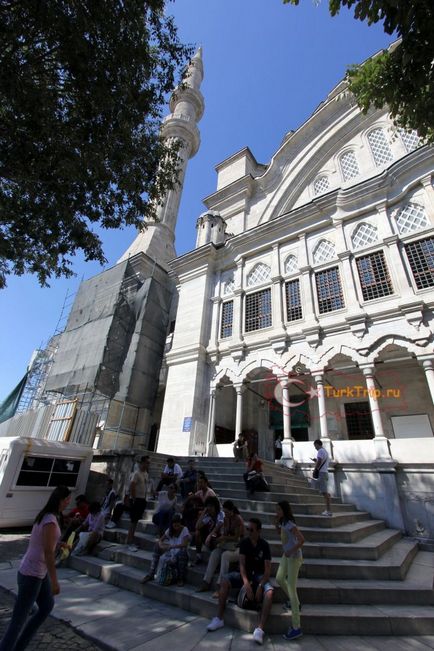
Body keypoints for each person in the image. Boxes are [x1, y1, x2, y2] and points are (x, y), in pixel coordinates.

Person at [0, 485, 71, 651]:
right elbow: (48, 553)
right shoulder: (50, 520)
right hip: (31, 574)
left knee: (46, 606)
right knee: (18, 621)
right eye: (67, 499)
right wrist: (55, 581)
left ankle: (20, 645)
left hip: (38, 572)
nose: (68, 502)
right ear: (61, 500)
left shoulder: (48, 516)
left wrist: (58, 544)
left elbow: (45, 543)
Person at [207, 517, 273, 646]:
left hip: (259, 576)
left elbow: (267, 571)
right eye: (247, 529)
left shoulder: (264, 545)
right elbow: (242, 565)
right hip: (245, 574)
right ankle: (219, 618)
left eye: (251, 530)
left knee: (270, 593)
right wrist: (246, 584)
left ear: (259, 531)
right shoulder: (244, 543)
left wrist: (260, 586)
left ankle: (260, 629)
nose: (248, 532)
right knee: (225, 581)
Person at [196, 500, 244, 593]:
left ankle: (221, 585)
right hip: (228, 545)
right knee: (214, 553)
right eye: (224, 511)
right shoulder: (226, 519)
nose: (225, 514)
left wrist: (223, 538)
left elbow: (236, 537)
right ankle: (206, 581)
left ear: (232, 511)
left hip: (238, 547)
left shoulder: (238, 519)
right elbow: (225, 534)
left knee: (225, 555)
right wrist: (219, 540)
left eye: (226, 512)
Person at [275, 500, 305, 641]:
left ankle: (296, 627)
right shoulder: (283, 522)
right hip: (286, 555)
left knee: (292, 590)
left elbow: (301, 540)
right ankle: (296, 603)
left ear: (284, 511)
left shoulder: (290, 524)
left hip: (293, 557)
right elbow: (283, 537)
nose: (277, 512)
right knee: (280, 578)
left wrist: (291, 551)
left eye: (279, 510)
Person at [141, 513, 191, 587]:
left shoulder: (185, 529)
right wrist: (161, 545)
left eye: (178, 522)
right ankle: (151, 574)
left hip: (181, 556)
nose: (176, 525)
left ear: (180, 523)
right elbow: (160, 540)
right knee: (157, 546)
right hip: (171, 554)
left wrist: (171, 546)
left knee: (182, 552)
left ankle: (181, 578)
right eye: (174, 523)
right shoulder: (170, 530)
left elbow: (184, 544)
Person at [126, 456, 153, 551]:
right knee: (133, 521)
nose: (148, 465)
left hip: (143, 499)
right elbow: (132, 485)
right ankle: (129, 541)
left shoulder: (146, 474)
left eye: (149, 463)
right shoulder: (136, 474)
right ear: (142, 463)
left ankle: (131, 539)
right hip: (136, 499)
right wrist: (133, 498)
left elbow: (146, 485)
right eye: (146, 463)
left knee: (136, 520)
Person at [194, 495, 224, 565]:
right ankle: (198, 555)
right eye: (208, 506)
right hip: (210, 537)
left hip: (219, 536)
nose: (209, 508)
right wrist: (204, 512)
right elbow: (197, 526)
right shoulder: (208, 516)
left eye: (211, 506)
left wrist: (210, 536)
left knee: (213, 536)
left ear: (215, 506)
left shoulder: (220, 514)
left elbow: (219, 524)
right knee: (197, 532)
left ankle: (216, 561)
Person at [311, 439, 332, 516]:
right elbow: (320, 460)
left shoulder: (320, 451)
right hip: (325, 472)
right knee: (324, 492)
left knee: (324, 492)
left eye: (315, 446)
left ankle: (328, 510)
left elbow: (319, 461)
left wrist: (315, 469)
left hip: (322, 473)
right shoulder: (325, 451)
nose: (315, 448)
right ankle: (328, 509)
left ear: (317, 444)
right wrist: (316, 461)